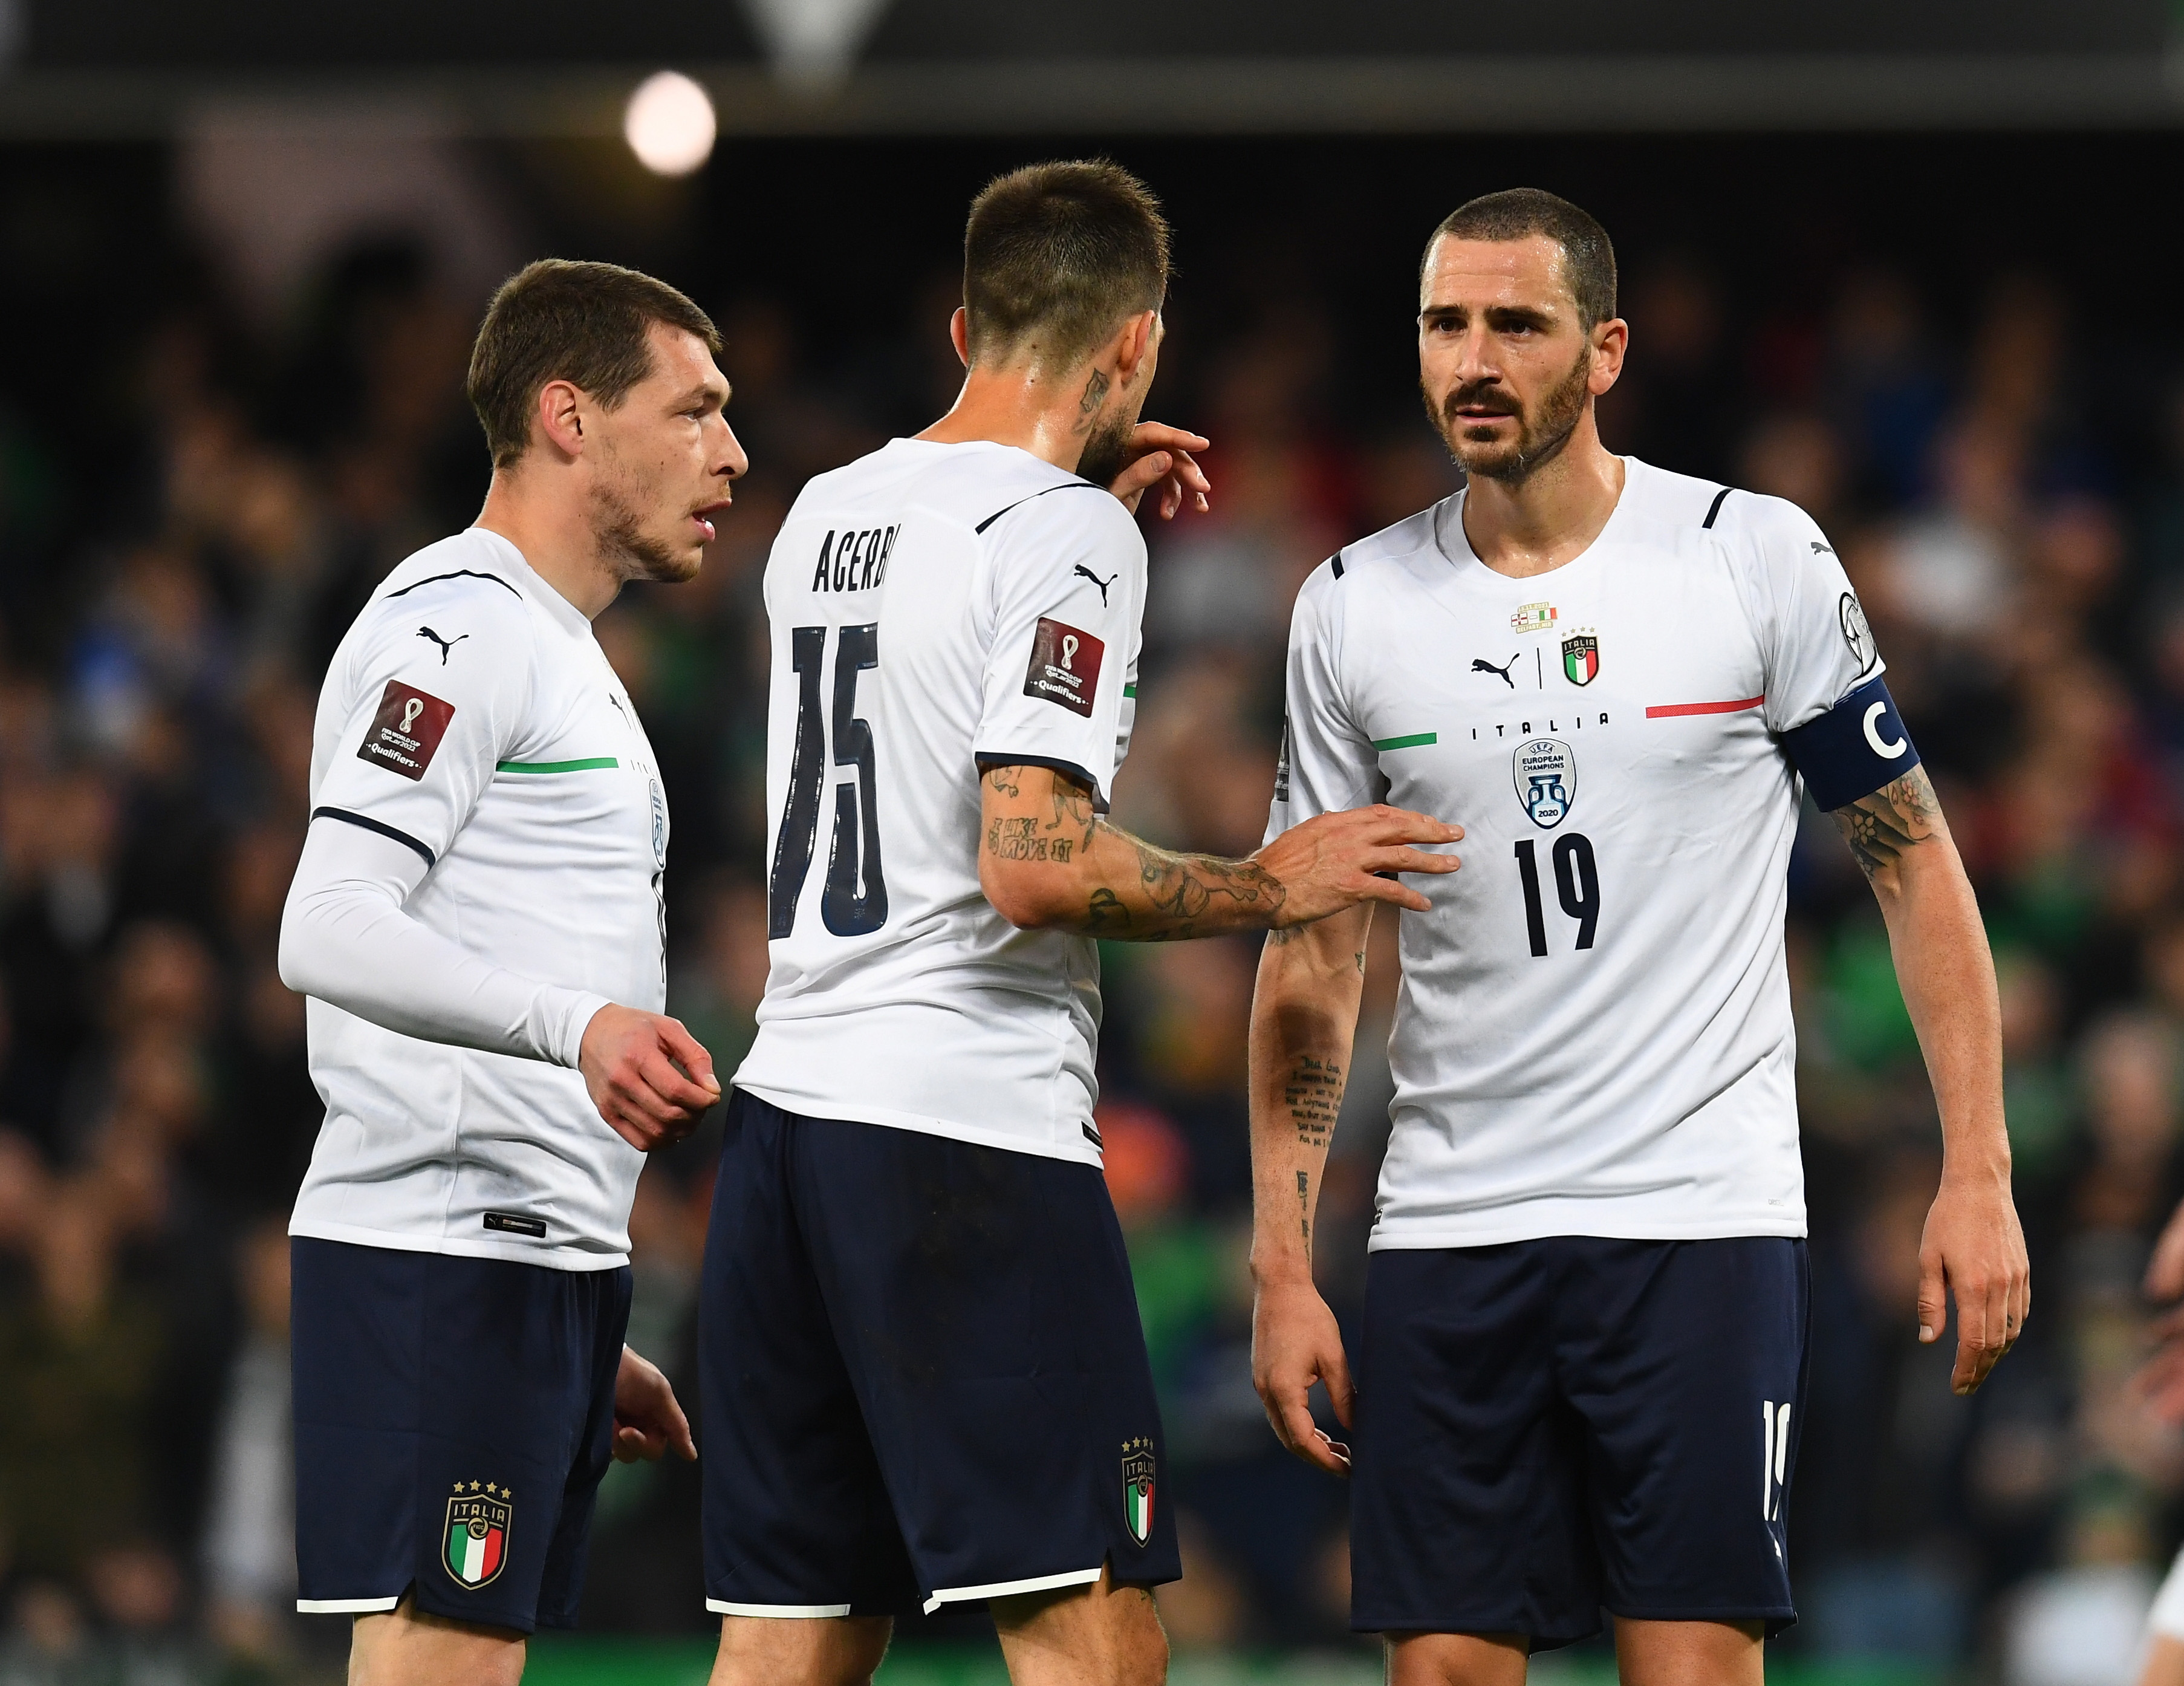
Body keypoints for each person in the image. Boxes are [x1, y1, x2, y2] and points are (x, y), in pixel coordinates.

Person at [1246, 189, 2030, 1686]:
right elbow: (1314, 952)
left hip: (1699, 1216)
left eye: (1516, 325)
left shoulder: (1752, 557)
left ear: (1605, 351)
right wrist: (1283, 1263)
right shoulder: (1352, 606)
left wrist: (1977, 1167)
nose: (1475, 361)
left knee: (1689, 1666)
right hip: (1451, 1223)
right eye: (1445, 325)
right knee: (1439, 1670)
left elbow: (1915, 864)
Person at [700, 160, 1460, 1686]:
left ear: (965, 325)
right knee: (1100, 1642)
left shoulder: (824, 512)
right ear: (1136, 343)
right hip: (962, 1136)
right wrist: (1268, 880)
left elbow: (927, 687)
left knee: (795, 1638)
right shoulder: (1068, 536)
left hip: (787, 1127)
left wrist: (1075, 516)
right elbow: (1032, 860)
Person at [277, 258, 742, 1686]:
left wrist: (581, 1297)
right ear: (569, 416)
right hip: (445, 1256)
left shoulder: (560, 647)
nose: (729, 451)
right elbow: (326, 922)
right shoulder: (460, 624)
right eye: (694, 409)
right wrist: (580, 1026)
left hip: (523, 1264)